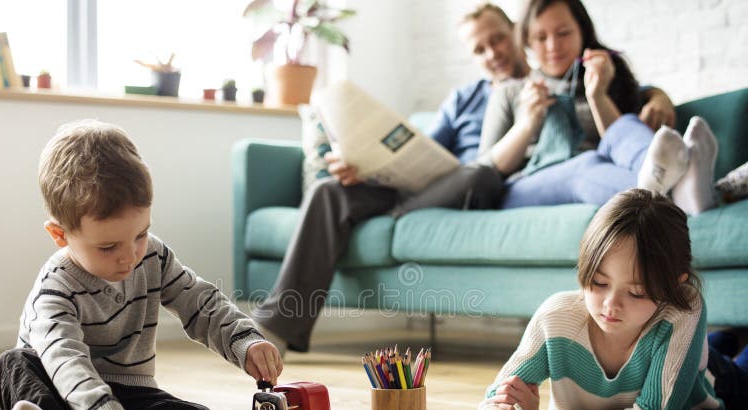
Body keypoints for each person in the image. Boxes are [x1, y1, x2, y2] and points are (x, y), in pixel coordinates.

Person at [253, 2, 676, 354]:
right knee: (330, 191)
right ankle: (279, 325)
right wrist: (362, 165)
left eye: (497, 40)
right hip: (422, 185)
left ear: (515, 33)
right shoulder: (467, 97)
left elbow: (615, 94)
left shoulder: (546, 83)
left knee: (478, 174)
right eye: (479, 49)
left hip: (478, 183)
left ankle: (400, 216)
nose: (491, 53)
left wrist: (657, 95)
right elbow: (417, 150)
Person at [0, 120, 283, 410]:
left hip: (124, 392)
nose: (130, 256)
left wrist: (245, 341)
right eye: (108, 247)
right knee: (12, 363)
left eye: (140, 234)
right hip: (54, 390)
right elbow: (67, 366)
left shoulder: (152, 256)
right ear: (60, 235)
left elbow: (199, 302)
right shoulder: (55, 289)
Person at [478, 189, 725, 410]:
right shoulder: (555, 318)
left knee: (730, 368)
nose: (611, 305)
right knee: (716, 347)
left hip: (710, 383)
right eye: (600, 283)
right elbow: (491, 404)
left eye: (636, 292)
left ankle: (728, 342)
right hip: (671, 354)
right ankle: (725, 339)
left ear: (676, 284)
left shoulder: (683, 307)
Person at [477, 0, 708, 210]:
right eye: (541, 38)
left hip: (601, 173)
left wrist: (598, 96)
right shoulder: (510, 92)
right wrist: (526, 125)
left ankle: (678, 181)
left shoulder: (607, 76)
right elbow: (485, 171)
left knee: (625, 125)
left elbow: (619, 142)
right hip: (524, 187)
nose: (553, 45)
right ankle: (679, 190)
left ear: (582, 32)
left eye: (564, 33)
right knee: (585, 165)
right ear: (527, 40)